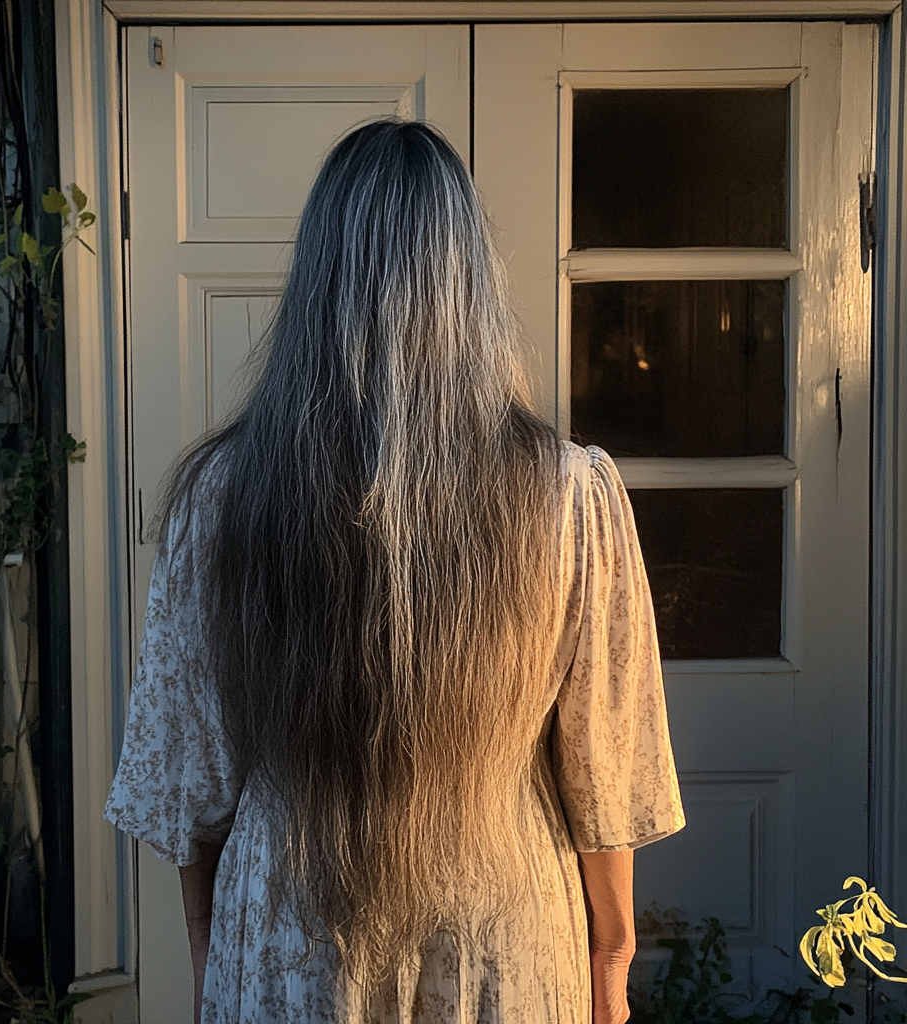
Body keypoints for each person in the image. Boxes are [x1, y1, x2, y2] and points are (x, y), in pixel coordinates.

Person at [105, 119, 685, 1024]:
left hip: (289, 931)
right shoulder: (569, 497)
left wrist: (215, 957)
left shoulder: (220, 497)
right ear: (471, 286)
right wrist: (610, 964)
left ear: (316, 285)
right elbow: (608, 778)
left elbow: (194, 790)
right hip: (504, 934)